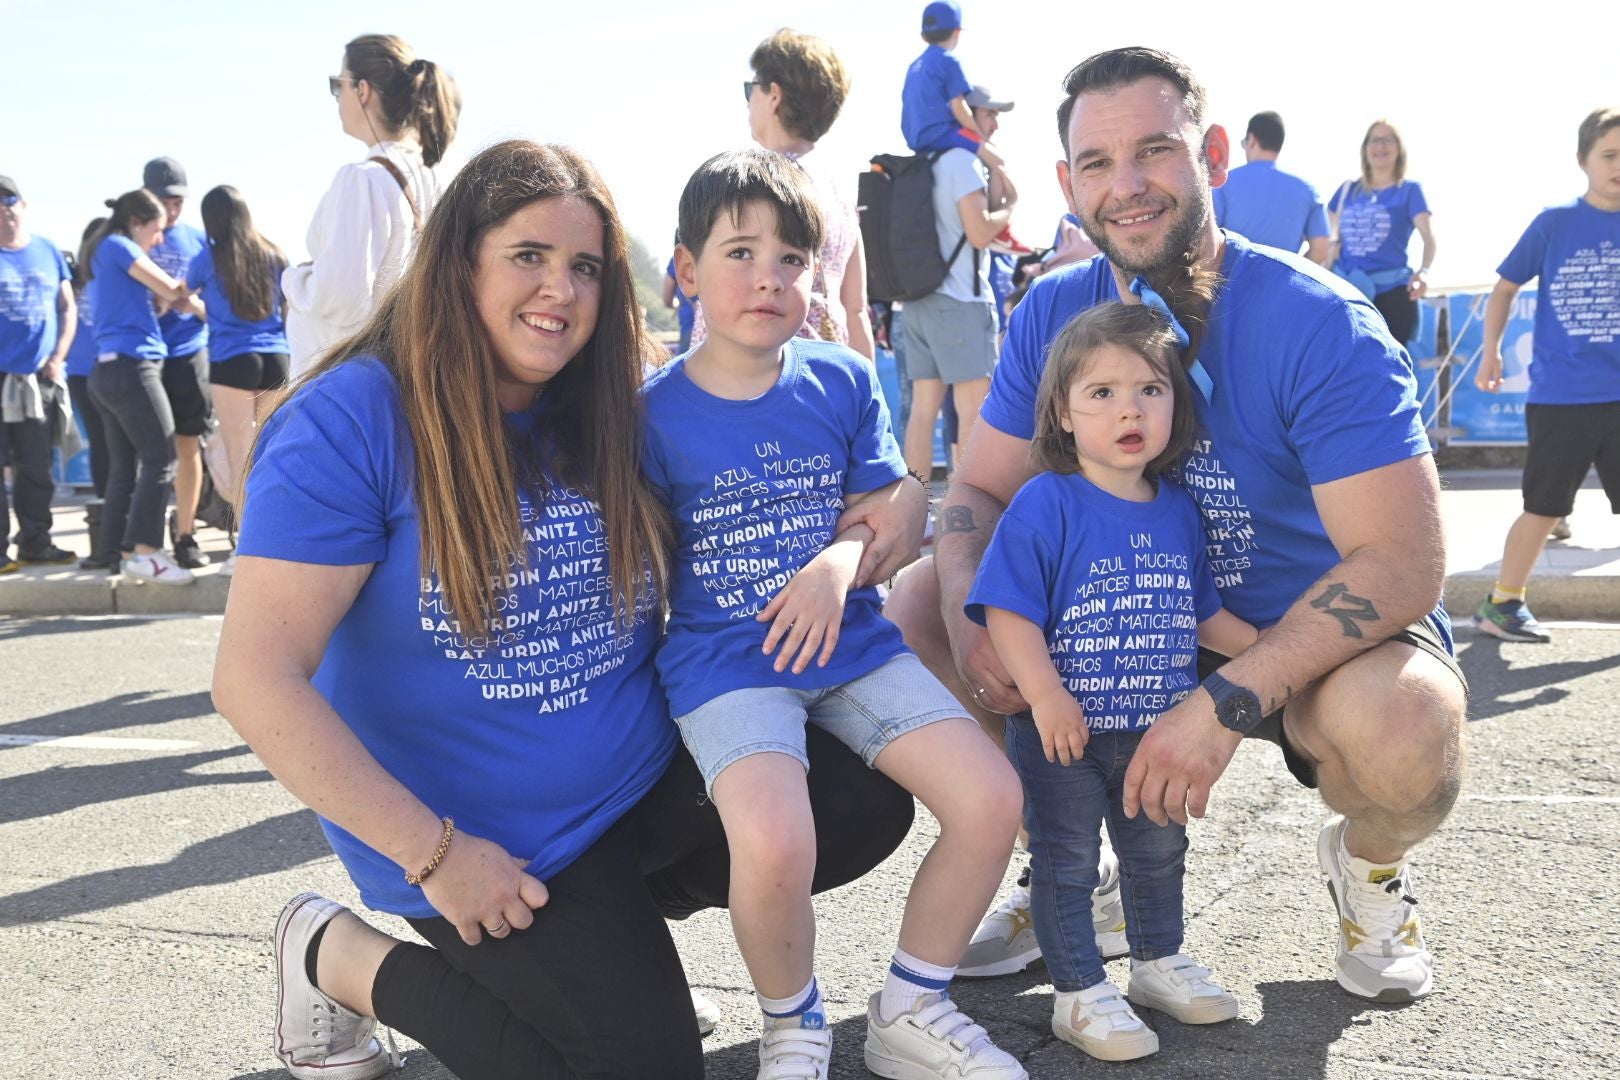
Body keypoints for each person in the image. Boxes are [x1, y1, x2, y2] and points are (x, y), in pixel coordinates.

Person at [212, 140, 926, 1080]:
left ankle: (606, 945)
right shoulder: (351, 421)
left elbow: (885, 495)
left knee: (859, 793)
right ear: (458, 259)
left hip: (638, 782)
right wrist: (436, 855)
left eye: (585, 266)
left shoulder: (610, 394)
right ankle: (337, 956)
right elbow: (253, 680)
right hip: (476, 837)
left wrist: (866, 538)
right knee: (639, 1068)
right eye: (528, 257)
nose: (561, 289)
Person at [878, 46, 1468, 1007]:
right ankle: (1073, 866)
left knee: (1409, 734)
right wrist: (963, 599)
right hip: (1117, 623)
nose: (1129, 186)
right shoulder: (1053, 312)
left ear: (1214, 155)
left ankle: (1369, 872)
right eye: (1099, 165)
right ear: (1068, 186)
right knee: (917, 614)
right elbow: (975, 497)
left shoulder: (1321, 323)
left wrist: (1225, 702)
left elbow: (1404, 564)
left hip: (1300, 636)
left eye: (1155, 151)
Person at [654, 148, 1025, 1080]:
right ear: (688, 269)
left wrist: (839, 563)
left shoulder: (843, 380)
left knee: (990, 799)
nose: (770, 279)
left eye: (793, 258)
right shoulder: (644, 415)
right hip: (728, 666)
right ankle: (792, 1020)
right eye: (740, 253)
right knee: (776, 839)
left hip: (857, 648)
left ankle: (912, 1004)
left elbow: (889, 506)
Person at [967, 302, 1255, 1060]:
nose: (1128, 408)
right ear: (1062, 412)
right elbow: (1008, 612)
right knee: (1064, 861)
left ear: (1174, 405)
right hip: (1063, 731)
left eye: (1149, 391)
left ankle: (1157, 961)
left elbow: (1203, 615)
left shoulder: (1181, 511)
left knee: (1158, 850)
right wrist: (1046, 694)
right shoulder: (1045, 502)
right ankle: (1079, 992)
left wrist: (1276, 652)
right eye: (1101, 393)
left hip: (1155, 733)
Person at [1472, 107, 1620, 644]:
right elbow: (1506, 287)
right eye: (1609, 154)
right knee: (1544, 507)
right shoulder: (1554, 223)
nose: (1618, 165)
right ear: (1583, 160)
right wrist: (1492, 353)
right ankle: (1502, 604)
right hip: (1563, 397)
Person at [690, 28, 875, 359]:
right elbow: (856, 308)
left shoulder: (755, 187)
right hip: (826, 375)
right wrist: (866, 394)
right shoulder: (839, 194)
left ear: (774, 95)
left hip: (758, 375)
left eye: (752, 88)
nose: (749, 100)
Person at [283, 33, 459, 376]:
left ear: (362, 90)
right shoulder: (432, 176)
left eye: (339, 85)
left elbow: (341, 295)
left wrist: (293, 279)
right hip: (402, 369)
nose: (337, 99)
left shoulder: (361, 179)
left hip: (345, 380)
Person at [899, 82, 1015, 482]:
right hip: (960, 302)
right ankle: (964, 515)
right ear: (966, 114)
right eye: (989, 114)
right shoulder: (960, 162)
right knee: (973, 410)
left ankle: (914, 510)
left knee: (922, 411)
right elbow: (982, 233)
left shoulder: (929, 160)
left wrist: (995, 168)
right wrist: (1012, 206)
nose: (995, 123)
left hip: (919, 300)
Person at [86, 190, 198, 585]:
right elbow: (171, 288)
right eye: (156, 230)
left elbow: (155, 297)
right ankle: (148, 554)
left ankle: (119, 552)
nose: (160, 240)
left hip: (110, 370)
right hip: (133, 367)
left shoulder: (104, 248)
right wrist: (204, 300)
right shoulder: (118, 245)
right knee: (162, 458)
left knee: (125, 467)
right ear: (136, 222)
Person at [188, 185, 289, 576]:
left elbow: (184, 294)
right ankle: (282, 534)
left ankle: (247, 546)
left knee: (240, 454)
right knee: (274, 451)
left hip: (232, 359)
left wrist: (201, 308)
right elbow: (286, 304)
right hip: (276, 356)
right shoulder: (274, 253)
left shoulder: (208, 257)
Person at [0, 173, 77, 571]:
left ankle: (36, 542)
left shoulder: (46, 250)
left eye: (9, 199)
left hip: (37, 380)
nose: (3, 208)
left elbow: (67, 306)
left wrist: (59, 355)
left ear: (23, 205)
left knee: (36, 468)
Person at [142, 157, 213, 571]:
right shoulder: (132, 238)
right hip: (145, 357)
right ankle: (144, 541)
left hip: (189, 351)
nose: (173, 209)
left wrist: (191, 303)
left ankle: (185, 534)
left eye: (179, 200)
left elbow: (213, 295)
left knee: (189, 447)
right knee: (150, 454)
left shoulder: (198, 240)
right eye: (165, 200)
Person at [1327, 120, 1436, 345]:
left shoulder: (1410, 191)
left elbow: (1428, 237)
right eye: (1375, 140)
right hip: (1347, 293)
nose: (1381, 146)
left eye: (1388, 140)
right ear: (1365, 148)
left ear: (1399, 147)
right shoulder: (1348, 190)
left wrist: (1424, 271)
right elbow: (1326, 236)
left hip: (1392, 294)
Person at [1213, 111, 1331, 263]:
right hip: (1282, 283)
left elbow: (1209, 238)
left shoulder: (1223, 182)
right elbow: (1321, 250)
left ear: (1252, 140)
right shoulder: (1307, 191)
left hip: (1233, 281)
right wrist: (1291, 273)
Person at [902, 2, 1005, 171]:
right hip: (941, 135)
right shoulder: (949, 61)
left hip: (915, 139)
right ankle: (1007, 199)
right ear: (957, 32)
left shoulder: (913, 66)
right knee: (997, 160)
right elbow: (958, 106)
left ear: (924, 35)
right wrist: (979, 135)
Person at [63, 218, 112, 569]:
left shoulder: (114, 276)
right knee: (99, 440)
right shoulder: (74, 281)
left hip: (112, 368)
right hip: (80, 373)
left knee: (122, 445)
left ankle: (117, 513)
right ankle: (104, 505)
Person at [661, 243, 696, 355]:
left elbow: (667, 299)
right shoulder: (710, 254)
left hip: (689, 329)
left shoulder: (677, 261)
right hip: (715, 332)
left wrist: (677, 305)